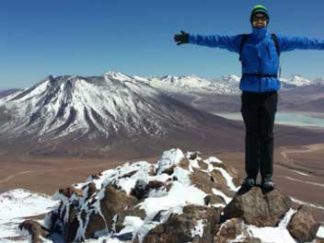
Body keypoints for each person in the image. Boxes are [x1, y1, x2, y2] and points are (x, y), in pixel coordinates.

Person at [174, 4, 324, 190]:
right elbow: (215, 40)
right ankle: (251, 176)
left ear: (267, 21)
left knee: (267, 135)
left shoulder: (277, 41)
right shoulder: (242, 41)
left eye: (262, 19)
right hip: (249, 95)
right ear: (251, 22)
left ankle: (267, 176)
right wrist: (191, 38)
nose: (259, 22)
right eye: (256, 19)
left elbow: (304, 42)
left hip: (269, 94)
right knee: (252, 135)